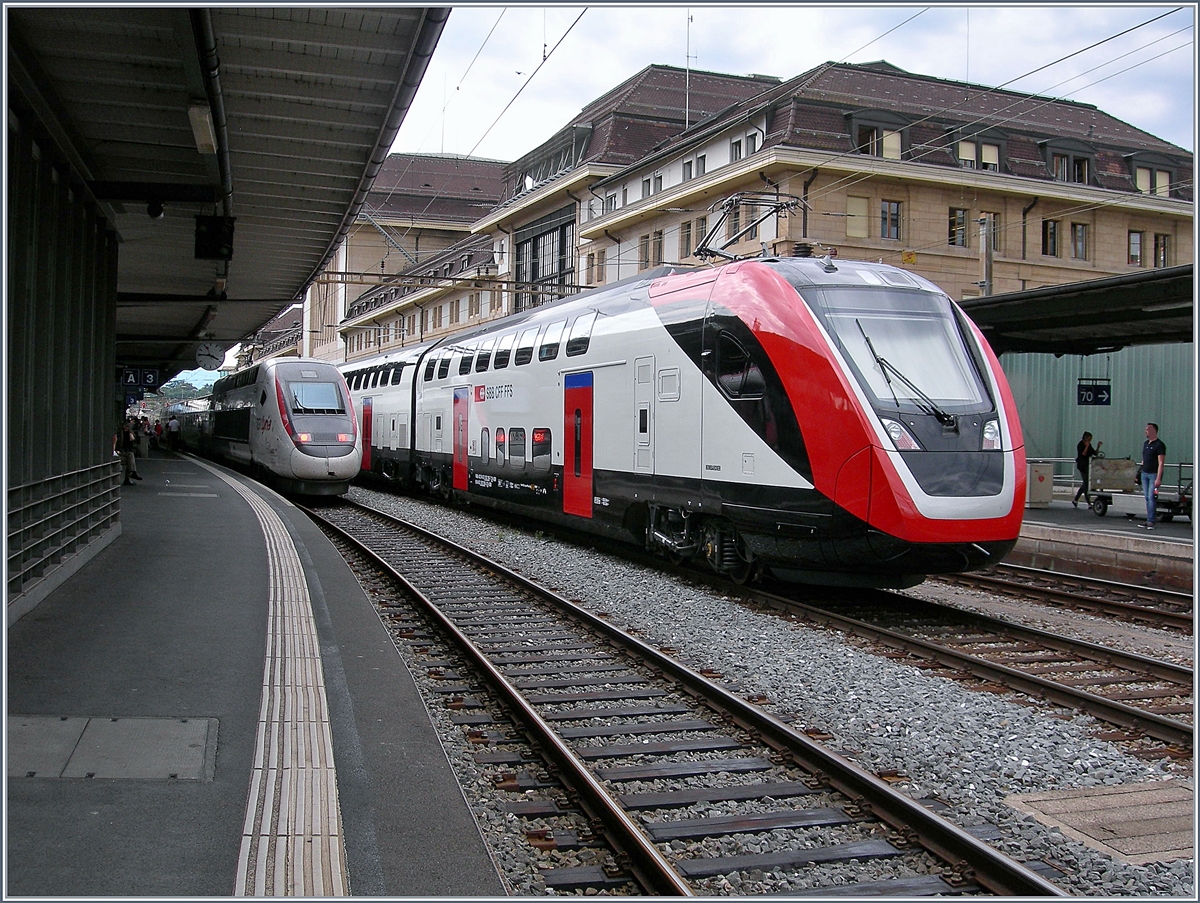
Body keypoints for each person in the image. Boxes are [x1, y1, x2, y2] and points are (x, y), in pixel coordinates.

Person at [1139, 422, 1166, 529]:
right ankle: (1148, 518)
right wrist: (1139, 472)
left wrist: (1158, 478)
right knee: (1146, 497)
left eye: (1147, 429)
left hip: (1153, 474)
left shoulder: (1159, 445)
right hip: (1144, 473)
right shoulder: (1146, 444)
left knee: (1151, 497)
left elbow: (1161, 463)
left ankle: (1151, 520)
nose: (1145, 431)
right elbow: (1144, 459)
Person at [1072, 431, 1102, 507]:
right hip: (1082, 466)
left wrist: (1098, 446)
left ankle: (1075, 500)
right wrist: (1086, 447)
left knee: (1085, 483)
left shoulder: (1089, 445)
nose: (1090, 440)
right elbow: (1083, 454)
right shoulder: (1080, 445)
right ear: (1086, 438)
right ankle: (1088, 502)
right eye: (1089, 438)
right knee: (1086, 483)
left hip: (1088, 465)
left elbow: (1094, 453)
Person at [119, 417, 143, 485]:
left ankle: (131, 475)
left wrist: (132, 438)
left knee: (130, 458)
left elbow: (136, 441)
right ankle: (133, 473)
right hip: (120, 451)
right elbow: (118, 443)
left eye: (128, 426)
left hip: (126, 451)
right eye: (126, 426)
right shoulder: (120, 433)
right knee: (130, 456)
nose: (126, 428)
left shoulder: (130, 433)